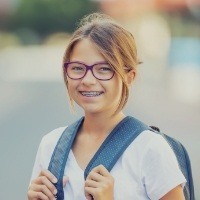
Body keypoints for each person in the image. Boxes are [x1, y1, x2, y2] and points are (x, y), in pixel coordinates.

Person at [27, 13, 186, 200]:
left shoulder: (149, 149)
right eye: (77, 68)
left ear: (129, 77)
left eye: (104, 69)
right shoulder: (51, 146)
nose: (87, 80)